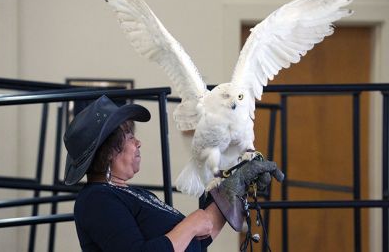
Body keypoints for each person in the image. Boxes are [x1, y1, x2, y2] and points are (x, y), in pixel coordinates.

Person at [63, 95, 283, 252]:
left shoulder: (135, 194)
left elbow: (198, 240)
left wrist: (237, 183)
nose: (138, 142)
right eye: (130, 136)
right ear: (109, 151)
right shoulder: (96, 200)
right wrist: (190, 225)